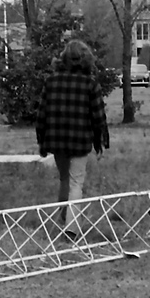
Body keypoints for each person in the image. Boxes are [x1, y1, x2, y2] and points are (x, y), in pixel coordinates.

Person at [35, 40, 110, 239]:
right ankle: (72, 227)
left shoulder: (51, 82)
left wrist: (41, 141)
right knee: (77, 182)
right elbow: (98, 116)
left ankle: (63, 218)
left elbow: (41, 114)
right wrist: (100, 142)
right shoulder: (90, 83)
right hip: (80, 140)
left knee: (64, 179)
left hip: (57, 139)